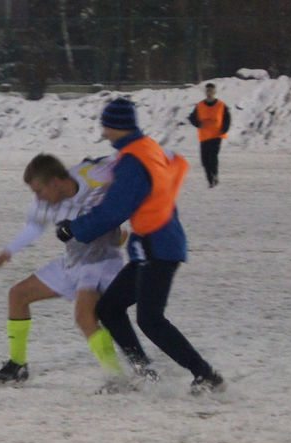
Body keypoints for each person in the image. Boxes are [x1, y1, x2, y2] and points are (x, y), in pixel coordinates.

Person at [56, 97, 225, 395]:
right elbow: (177, 163)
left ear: (116, 126)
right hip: (155, 244)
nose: (103, 132)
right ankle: (145, 373)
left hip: (158, 247)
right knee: (109, 308)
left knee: (150, 319)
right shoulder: (147, 147)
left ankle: (205, 375)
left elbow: (114, 210)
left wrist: (74, 229)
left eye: (105, 125)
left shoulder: (133, 160)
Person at [0, 153, 132, 386]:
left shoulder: (92, 175)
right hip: (72, 261)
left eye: (39, 190)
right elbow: (35, 226)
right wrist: (9, 251)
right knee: (18, 295)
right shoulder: (46, 202)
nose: (37, 197)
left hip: (101, 263)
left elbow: (126, 156)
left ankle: (116, 378)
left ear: (55, 182)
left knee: (84, 317)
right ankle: (17, 366)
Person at [188, 83, 231, 188]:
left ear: (215, 92)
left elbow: (227, 119)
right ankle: (210, 178)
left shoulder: (221, 105)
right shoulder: (200, 105)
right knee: (204, 159)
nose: (209, 93)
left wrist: (224, 129)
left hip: (216, 135)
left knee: (212, 156)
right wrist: (198, 124)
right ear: (205, 92)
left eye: (211, 91)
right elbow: (192, 117)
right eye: (208, 91)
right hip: (204, 136)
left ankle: (214, 176)